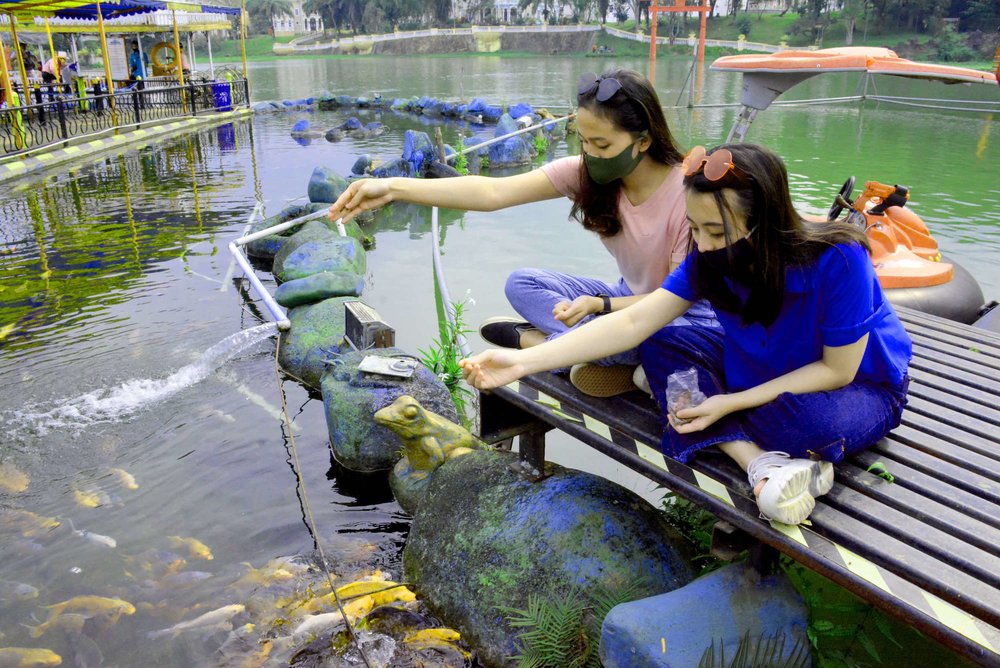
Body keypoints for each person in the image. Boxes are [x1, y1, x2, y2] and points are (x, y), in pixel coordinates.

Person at [460, 143, 912, 526]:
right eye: (695, 228)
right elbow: (636, 322)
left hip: (856, 387)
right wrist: (523, 363)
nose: (704, 244)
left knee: (802, 425)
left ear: (767, 219)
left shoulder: (839, 258)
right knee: (659, 342)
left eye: (716, 230)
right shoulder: (711, 257)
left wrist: (730, 401)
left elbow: (837, 369)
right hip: (757, 372)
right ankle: (758, 462)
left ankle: (756, 444)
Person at [328, 68, 715, 397]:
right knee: (522, 283)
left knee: (651, 339)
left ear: (643, 141)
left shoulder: (687, 196)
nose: (590, 154)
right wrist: (395, 188)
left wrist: (601, 307)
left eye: (602, 144)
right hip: (622, 301)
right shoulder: (587, 174)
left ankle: (546, 345)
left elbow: (669, 302)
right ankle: (594, 355)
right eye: (583, 141)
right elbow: (494, 191)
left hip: (680, 317)